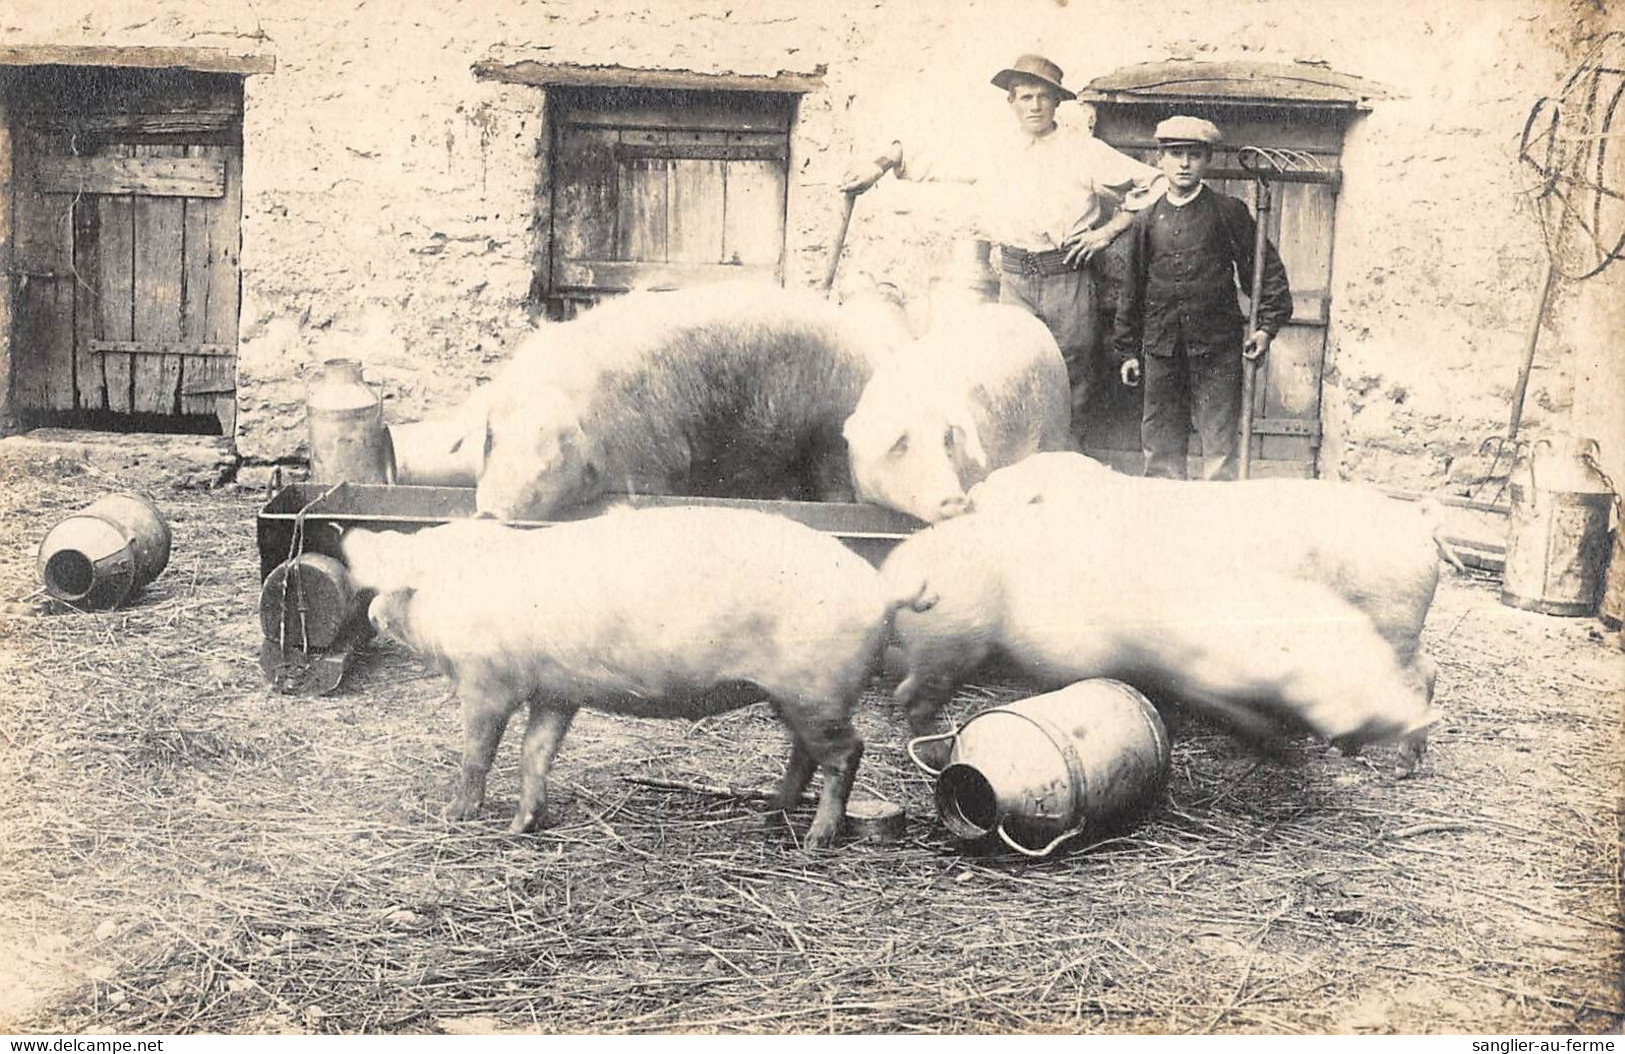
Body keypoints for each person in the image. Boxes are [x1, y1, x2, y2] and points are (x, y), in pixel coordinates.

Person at [840, 54, 1160, 437]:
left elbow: (1155, 184)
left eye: (1044, 97)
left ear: (1058, 102)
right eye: (1025, 97)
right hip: (1014, 280)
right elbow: (920, 156)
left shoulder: (1083, 150)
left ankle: (1065, 466)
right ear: (1011, 102)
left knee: (1072, 376)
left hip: (1067, 278)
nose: (1035, 106)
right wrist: (877, 165)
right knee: (1012, 372)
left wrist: (1106, 233)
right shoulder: (992, 151)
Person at [1112, 115, 1293, 481]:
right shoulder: (1146, 220)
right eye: (1175, 154)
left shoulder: (1229, 213)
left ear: (1206, 160)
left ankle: (1219, 527)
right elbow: (1132, 289)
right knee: (1161, 451)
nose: (1183, 164)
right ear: (1159, 160)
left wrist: (1266, 329)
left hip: (1217, 350)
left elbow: (1265, 271)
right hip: (1162, 351)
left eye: (1193, 155)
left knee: (1220, 451)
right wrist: (1128, 351)